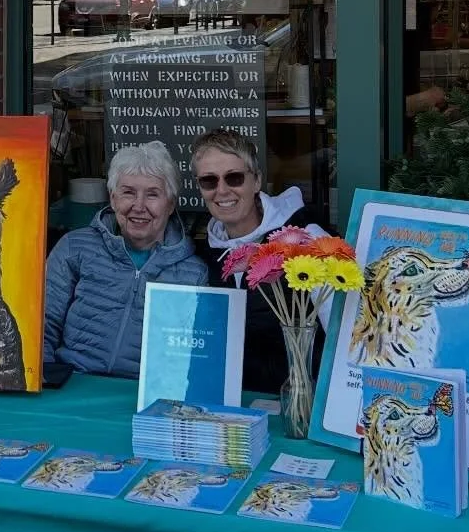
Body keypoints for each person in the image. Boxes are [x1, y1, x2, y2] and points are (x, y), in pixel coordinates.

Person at [44, 141, 208, 379]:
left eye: (152, 194)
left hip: (144, 394)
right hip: (72, 381)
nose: (138, 206)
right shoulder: (75, 247)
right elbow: (42, 324)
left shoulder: (192, 272)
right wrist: (48, 383)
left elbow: (192, 356)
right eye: (128, 192)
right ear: (112, 198)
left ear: (170, 204)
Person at [190, 128, 327, 394]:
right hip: (230, 405)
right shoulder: (203, 255)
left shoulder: (304, 238)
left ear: (256, 181)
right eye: (209, 181)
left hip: (298, 406)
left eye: (235, 178)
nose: (222, 190)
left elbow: (342, 332)